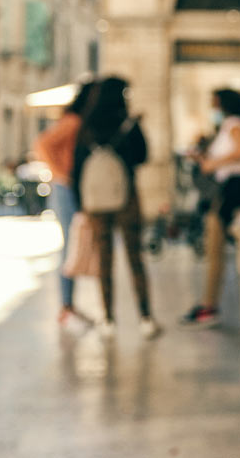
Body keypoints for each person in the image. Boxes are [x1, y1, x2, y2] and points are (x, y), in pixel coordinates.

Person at [71, 76, 160, 340]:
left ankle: (108, 318)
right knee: (135, 257)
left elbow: (76, 168)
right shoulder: (127, 123)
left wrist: (80, 204)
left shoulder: (86, 126)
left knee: (104, 258)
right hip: (126, 196)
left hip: (96, 202)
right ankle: (145, 317)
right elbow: (143, 155)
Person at [180, 89, 240, 327]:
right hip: (229, 189)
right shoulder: (230, 125)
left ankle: (209, 304)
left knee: (215, 245)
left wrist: (213, 163)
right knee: (214, 247)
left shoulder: (234, 124)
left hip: (232, 190)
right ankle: (208, 302)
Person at [34, 80, 96, 334]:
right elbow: (42, 144)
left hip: (68, 187)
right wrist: (62, 173)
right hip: (64, 188)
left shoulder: (78, 121)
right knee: (70, 246)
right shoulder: (73, 121)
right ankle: (66, 308)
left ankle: (69, 305)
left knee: (73, 244)